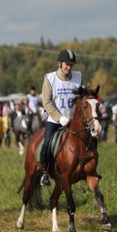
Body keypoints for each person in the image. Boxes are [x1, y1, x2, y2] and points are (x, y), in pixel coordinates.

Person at [39, 49, 83, 186]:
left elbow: (82, 98)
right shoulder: (50, 79)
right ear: (59, 63)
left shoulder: (78, 77)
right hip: (56, 121)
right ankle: (44, 173)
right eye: (67, 65)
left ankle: (90, 168)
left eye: (71, 65)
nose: (69, 68)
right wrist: (60, 118)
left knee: (91, 140)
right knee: (46, 144)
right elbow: (46, 102)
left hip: (74, 121)